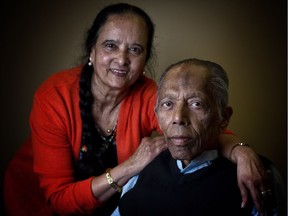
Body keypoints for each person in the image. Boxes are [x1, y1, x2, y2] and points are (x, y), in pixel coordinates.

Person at [4, 3, 270, 216]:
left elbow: (202, 126)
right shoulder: (54, 97)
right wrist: (132, 165)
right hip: (36, 205)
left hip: (105, 205)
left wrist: (241, 151)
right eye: (111, 45)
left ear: (144, 60)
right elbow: (59, 200)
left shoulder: (149, 94)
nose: (121, 59)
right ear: (92, 51)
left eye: (134, 49)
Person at [114, 58, 284, 216]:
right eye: (168, 104)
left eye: (196, 104)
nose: (178, 117)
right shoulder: (145, 165)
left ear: (223, 118)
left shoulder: (255, 177)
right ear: (156, 114)